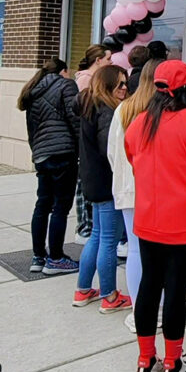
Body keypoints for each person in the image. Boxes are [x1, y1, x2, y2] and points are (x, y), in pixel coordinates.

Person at [124, 60, 186, 372]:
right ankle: (173, 363)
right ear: (185, 88)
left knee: (149, 287)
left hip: (148, 219)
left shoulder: (141, 122)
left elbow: (132, 158)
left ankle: (144, 360)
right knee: (175, 291)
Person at [107, 58, 161, 333]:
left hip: (128, 189)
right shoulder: (161, 110)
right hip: (156, 191)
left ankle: (140, 310)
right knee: (158, 253)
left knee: (136, 251)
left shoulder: (124, 109)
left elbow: (113, 152)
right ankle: (157, 310)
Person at [72, 65, 131, 313]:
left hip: (93, 181)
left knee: (97, 236)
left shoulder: (89, 105)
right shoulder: (106, 110)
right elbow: (112, 151)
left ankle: (83, 289)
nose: (125, 87)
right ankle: (109, 295)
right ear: (107, 85)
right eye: (120, 84)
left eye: (126, 82)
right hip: (106, 183)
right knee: (108, 239)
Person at [17, 58, 80, 274]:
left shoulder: (32, 89)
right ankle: (55, 258)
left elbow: (31, 128)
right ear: (63, 71)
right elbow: (75, 119)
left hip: (42, 154)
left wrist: (37, 153)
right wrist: (82, 150)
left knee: (42, 205)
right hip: (63, 152)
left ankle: (38, 257)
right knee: (61, 207)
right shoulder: (67, 84)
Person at [73, 44, 112, 239]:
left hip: (87, 141)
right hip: (89, 143)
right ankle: (84, 226)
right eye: (108, 59)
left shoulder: (89, 79)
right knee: (84, 188)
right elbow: (85, 110)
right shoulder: (87, 81)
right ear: (98, 61)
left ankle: (86, 226)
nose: (110, 62)